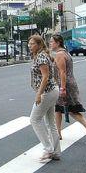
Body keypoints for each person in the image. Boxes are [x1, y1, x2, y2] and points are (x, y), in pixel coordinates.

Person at [50, 35, 86, 145]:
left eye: (52, 42)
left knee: (72, 110)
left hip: (65, 84)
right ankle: (57, 133)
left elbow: (62, 72)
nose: (50, 44)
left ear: (58, 43)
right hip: (67, 83)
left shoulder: (59, 54)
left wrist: (62, 88)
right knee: (58, 108)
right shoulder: (66, 53)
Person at [27, 34, 61, 162]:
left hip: (47, 92)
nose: (30, 46)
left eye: (32, 44)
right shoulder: (41, 55)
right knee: (50, 123)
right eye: (29, 44)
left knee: (34, 119)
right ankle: (56, 152)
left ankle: (48, 149)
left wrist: (38, 94)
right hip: (52, 91)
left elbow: (45, 77)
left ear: (39, 44)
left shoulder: (41, 56)